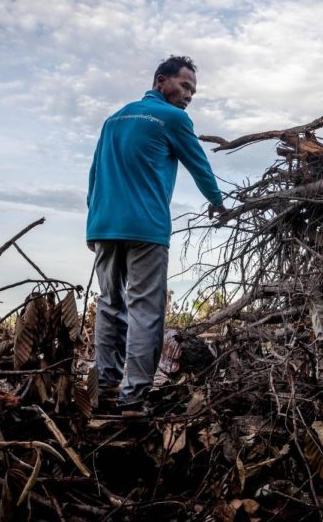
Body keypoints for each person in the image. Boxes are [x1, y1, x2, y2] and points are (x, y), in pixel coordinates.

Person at [86, 55, 226, 417]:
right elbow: (199, 164)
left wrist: (93, 225)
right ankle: (132, 399)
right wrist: (218, 203)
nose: (189, 95)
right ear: (161, 81)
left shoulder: (113, 119)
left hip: (105, 225)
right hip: (146, 228)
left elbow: (94, 175)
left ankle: (103, 391)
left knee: (110, 305)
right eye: (184, 86)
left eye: (193, 90)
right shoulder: (174, 118)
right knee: (146, 309)